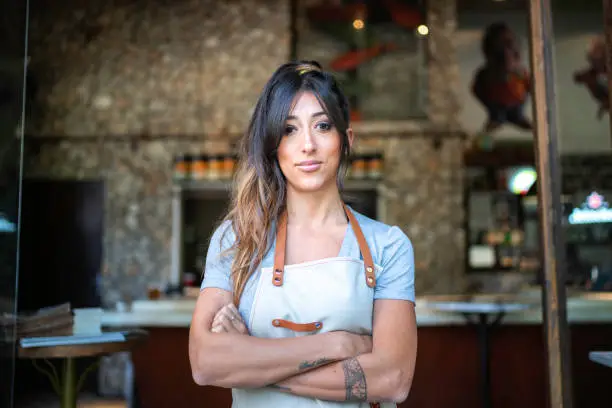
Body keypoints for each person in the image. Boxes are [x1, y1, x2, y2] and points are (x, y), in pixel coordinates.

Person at [188, 60, 417, 408]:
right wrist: (337, 346)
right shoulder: (235, 239)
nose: (307, 145)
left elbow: (393, 380)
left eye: (323, 126)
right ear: (272, 145)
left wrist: (251, 361)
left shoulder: (388, 247)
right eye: (289, 129)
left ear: (346, 140)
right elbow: (205, 364)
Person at [471, 22, 532, 150]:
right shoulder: (486, 74)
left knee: (523, 123)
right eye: (500, 47)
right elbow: (477, 89)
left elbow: (530, 86)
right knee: (492, 126)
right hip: (497, 108)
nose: (506, 53)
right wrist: (490, 104)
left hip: (515, 107)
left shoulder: (520, 73)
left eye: (509, 45)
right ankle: (482, 149)